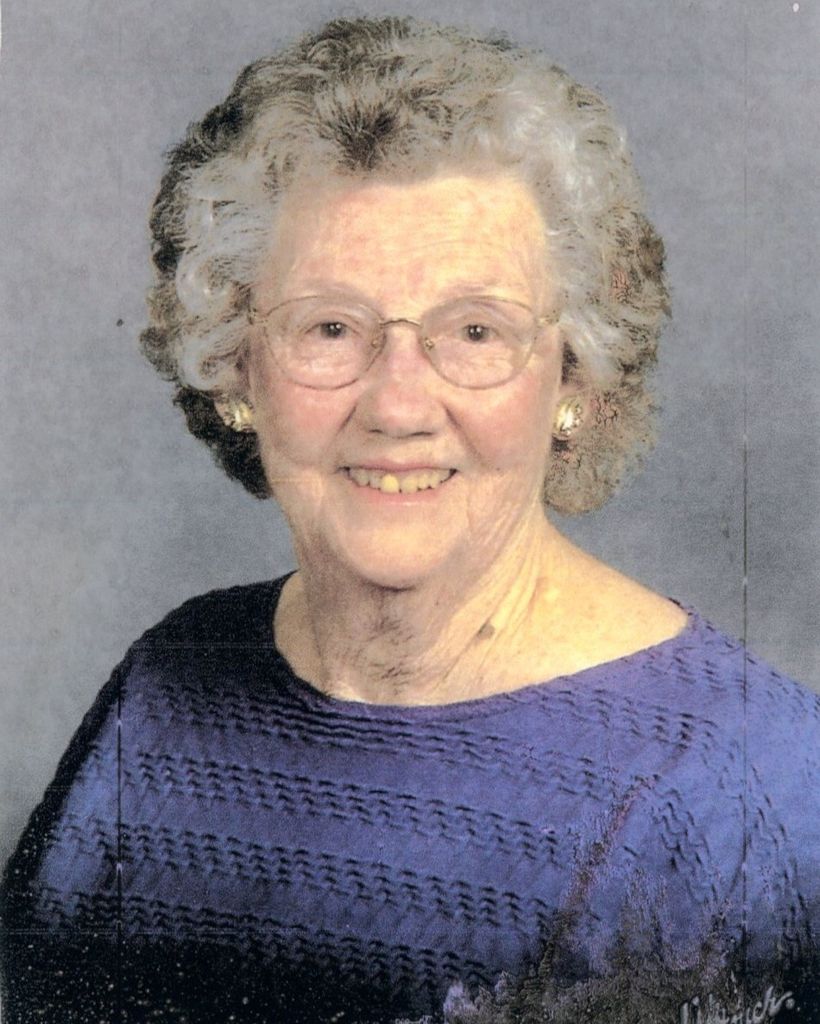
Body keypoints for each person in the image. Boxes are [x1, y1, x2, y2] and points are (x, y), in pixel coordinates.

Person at [1, 15, 817, 1024]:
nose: (396, 405)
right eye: (330, 326)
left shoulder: (748, 783)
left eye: (474, 330)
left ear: (575, 378)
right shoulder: (168, 688)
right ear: (238, 369)